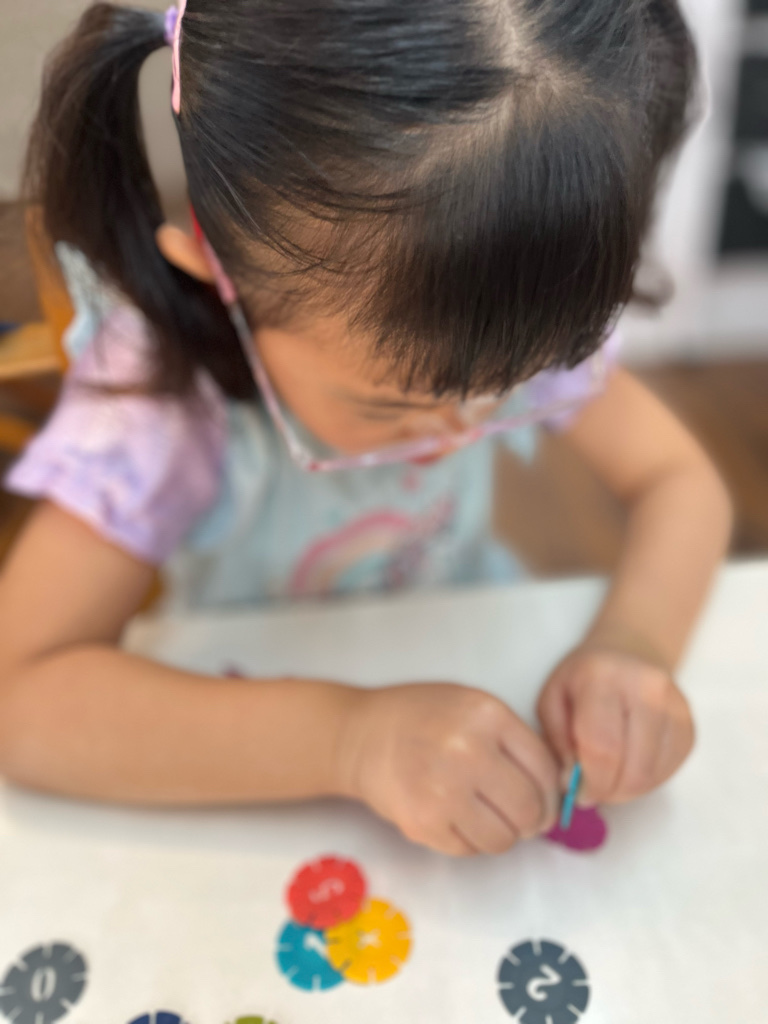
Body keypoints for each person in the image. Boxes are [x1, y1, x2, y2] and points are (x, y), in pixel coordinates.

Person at [0, 0, 731, 857]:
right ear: (219, 273)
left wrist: (635, 644)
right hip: (240, 740)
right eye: (390, 408)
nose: (461, 430)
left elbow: (679, 484)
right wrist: (349, 740)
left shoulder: (491, 326)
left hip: (462, 649)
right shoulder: (161, 409)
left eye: (505, 389)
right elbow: (21, 698)